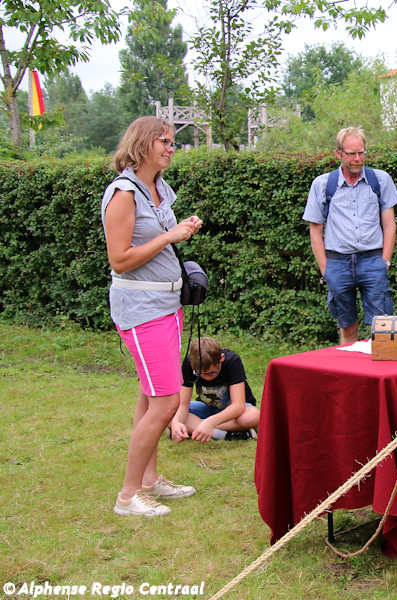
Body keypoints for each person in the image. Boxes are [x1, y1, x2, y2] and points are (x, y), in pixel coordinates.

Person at [101, 116, 203, 517]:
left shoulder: (158, 189)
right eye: (164, 141)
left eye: (172, 142)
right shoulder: (123, 194)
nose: (171, 148)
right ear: (142, 144)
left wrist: (181, 229)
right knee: (165, 401)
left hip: (167, 304)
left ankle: (149, 480)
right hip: (141, 309)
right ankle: (128, 496)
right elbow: (120, 259)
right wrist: (169, 236)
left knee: (150, 395)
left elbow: (158, 239)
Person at [303, 126, 397, 345]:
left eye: (361, 152)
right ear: (339, 154)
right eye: (351, 154)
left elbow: (390, 225)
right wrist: (326, 269)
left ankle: (379, 365)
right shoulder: (322, 184)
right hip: (338, 263)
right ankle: (350, 364)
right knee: (347, 325)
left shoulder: (381, 180)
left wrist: (385, 261)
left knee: (382, 326)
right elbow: (315, 230)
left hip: (373, 261)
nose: (357, 159)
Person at [171, 337, 260, 442]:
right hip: (207, 407)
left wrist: (209, 423)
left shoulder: (232, 361)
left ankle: (198, 427)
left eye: (212, 373)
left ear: (221, 358)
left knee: (253, 416)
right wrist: (176, 423)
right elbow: (183, 404)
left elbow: (238, 406)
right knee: (169, 413)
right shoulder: (189, 364)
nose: (206, 377)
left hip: (234, 412)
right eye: (200, 374)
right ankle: (224, 434)